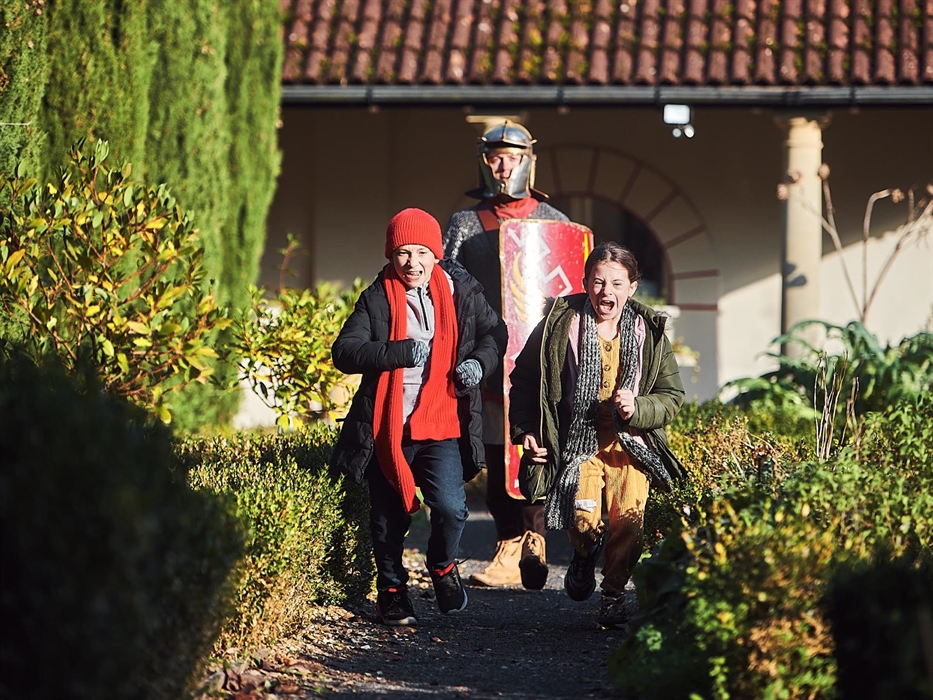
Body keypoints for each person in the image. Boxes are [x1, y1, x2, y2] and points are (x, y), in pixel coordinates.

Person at [331, 207, 508, 626]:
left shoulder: (460, 288)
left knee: (451, 509)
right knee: (388, 517)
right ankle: (391, 592)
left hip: (443, 422)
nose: (412, 263)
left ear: (436, 253)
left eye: (421, 252)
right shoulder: (377, 295)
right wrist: (399, 351)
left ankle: (443, 567)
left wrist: (479, 365)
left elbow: (494, 333)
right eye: (403, 253)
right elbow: (345, 351)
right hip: (388, 426)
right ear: (391, 256)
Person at [508, 241, 686, 628]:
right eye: (599, 282)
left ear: (632, 287)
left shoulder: (649, 331)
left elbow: (672, 397)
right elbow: (523, 380)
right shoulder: (560, 323)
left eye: (617, 284)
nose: (607, 292)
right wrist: (525, 430)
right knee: (582, 516)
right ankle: (584, 554)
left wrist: (638, 407)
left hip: (631, 445)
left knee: (629, 524)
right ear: (586, 282)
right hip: (578, 443)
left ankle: (613, 596)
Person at [443, 120, 570, 590]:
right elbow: (446, 288)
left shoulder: (554, 223)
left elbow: (567, 290)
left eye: (511, 157)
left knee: (534, 446)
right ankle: (507, 544)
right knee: (497, 452)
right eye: (495, 156)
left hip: (536, 357)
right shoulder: (464, 224)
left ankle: (536, 542)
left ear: (526, 161)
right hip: (489, 355)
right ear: (485, 161)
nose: (503, 165)